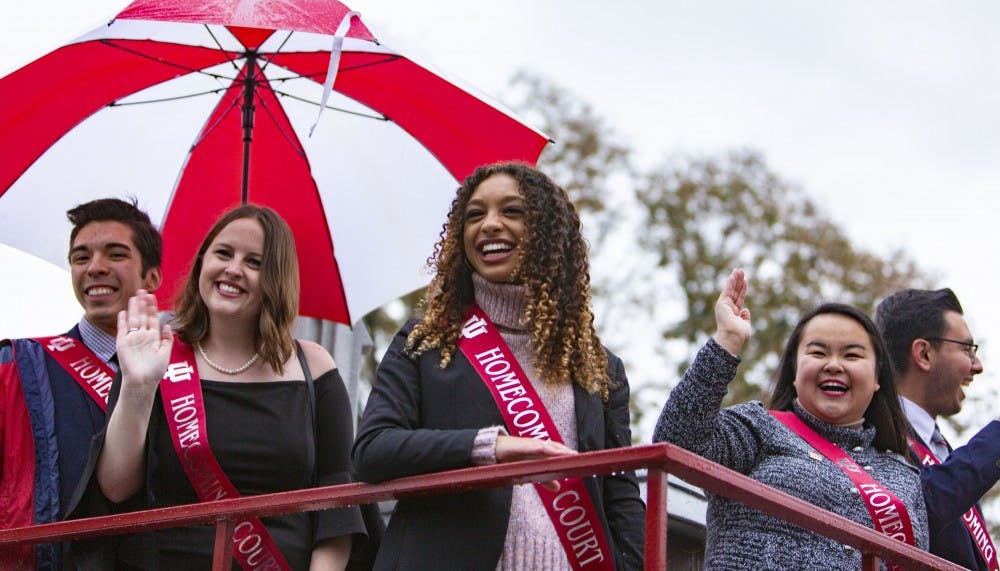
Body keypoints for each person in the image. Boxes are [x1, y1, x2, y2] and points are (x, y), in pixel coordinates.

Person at [352, 162, 645, 570]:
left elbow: (620, 493)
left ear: (549, 235)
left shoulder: (597, 366)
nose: (489, 225)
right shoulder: (426, 342)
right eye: (475, 214)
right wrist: (490, 447)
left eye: (512, 211)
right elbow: (373, 450)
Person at [68, 204, 364, 570]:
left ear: (276, 278)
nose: (234, 269)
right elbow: (115, 487)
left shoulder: (314, 366)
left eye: (255, 262)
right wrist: (138, 386)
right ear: (201, 264)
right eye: (223, 253)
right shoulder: (157, 356)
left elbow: (337, 509)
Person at [653, 269, 928, 569]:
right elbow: (676, 440)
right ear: (795, 373)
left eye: (852, 355)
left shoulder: (903, 476)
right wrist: (728, 340)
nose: (834, 365)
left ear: (877, 378)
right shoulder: (758, 428)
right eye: (818, 352)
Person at [0, 198, 162, 570]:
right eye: (81, 257)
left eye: (115, 254)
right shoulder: (19, 367)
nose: (95, 268)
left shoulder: (186, 373)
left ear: (151, 276)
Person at [876, 288, 1000, 570]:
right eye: (967, 350)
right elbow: (917, 508)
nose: (977, 366)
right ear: (924, 354)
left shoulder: (942, 449)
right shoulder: (871, 432)